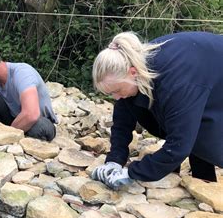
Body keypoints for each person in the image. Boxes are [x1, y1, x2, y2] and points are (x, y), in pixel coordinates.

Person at [91, 31, 223, 190]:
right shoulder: (132, 70)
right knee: (142, 107)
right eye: (110, 93)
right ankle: (199, 185)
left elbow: (179, 145)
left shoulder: (175, 85)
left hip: (209, 74)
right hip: (198, 70)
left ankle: (205, 188)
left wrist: (133, 173)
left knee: (204, 136)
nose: (116, 97)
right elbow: (122, 122)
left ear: (132, 72)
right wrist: (115, 160)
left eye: (117, 90)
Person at [0, 45, 58, 141]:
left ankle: (5, 137)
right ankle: (4, 135)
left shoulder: (23, 73)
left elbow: (31, 114)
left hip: (37, 120)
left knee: (43, 128)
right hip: (13, 119)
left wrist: (7, 133)